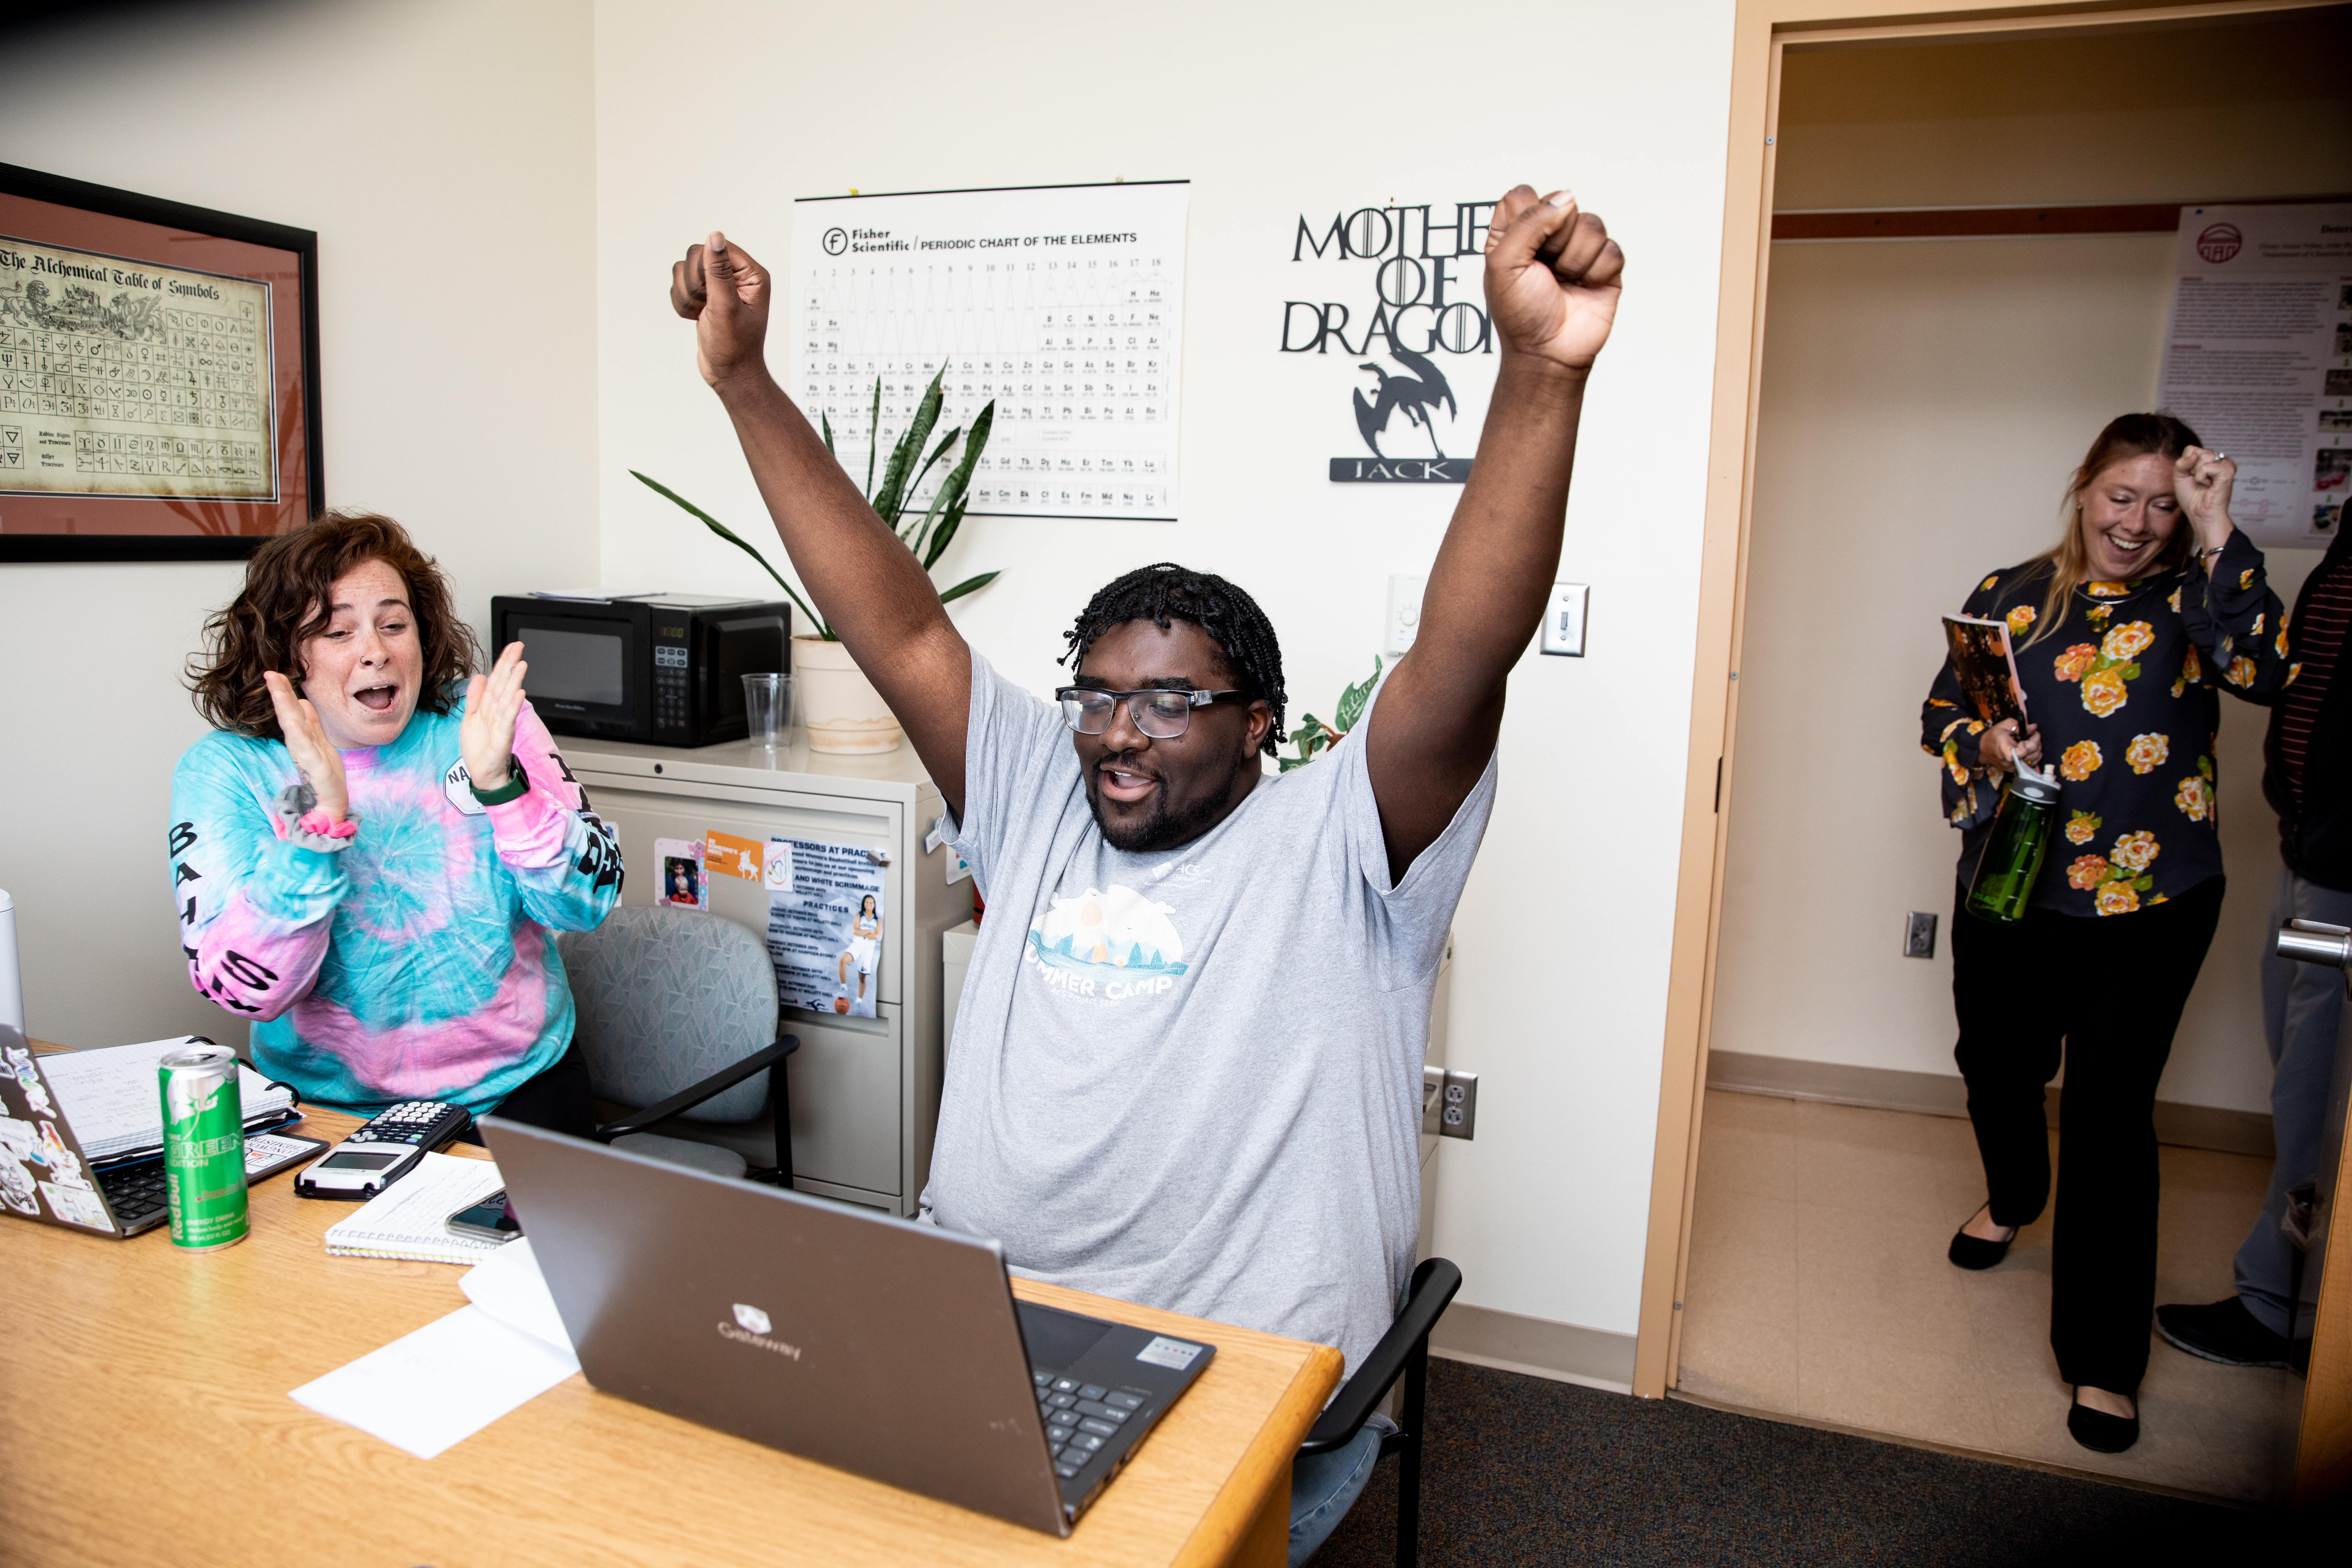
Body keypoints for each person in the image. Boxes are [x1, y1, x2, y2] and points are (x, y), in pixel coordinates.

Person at [671, 182, 1620, 1563]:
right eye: (1102, 694)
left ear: (1258, 729)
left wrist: (1537, 374)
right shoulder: (1032, 796)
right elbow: (896, 618)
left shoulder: (1340, 839)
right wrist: (746, 381)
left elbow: (1462, 652)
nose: (1121, 729)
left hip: (1230, 1372)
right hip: (975, 1324)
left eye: (1174, 702)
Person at [1920, 413, 2290, 1454]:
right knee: (1995, 1063)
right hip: (2014, 877)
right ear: (2083, 487)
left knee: (2111, 1119)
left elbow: (2265, 671)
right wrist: (1982, 740)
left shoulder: (2202, 595)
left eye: (2165, 504)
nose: (2138, 522)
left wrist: (2220, 529)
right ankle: (2013, 1196)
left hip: (2152, 899)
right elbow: (1942, 711)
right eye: (2120, 496)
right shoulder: (2011, 592)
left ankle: (2104, 1361)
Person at [171, 512, 623, 1133]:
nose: (376, 652)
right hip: (326, 1107)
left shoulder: (480, 722)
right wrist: (317, 824)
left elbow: (588, 904)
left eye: (393, 624)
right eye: (338, 632)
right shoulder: (229, 769)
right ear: (286, 655)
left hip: (518, 1088)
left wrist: (503, 791)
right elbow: (249, 993)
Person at [2158, 514, 2352, 1367]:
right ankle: (2290, 1297)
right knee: (2305, 1082)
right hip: (2315, 855)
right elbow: (2278, 669)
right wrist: (2218, 532)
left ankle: (2281, 1307)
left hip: (2340, 865)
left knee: (2320, 1092)